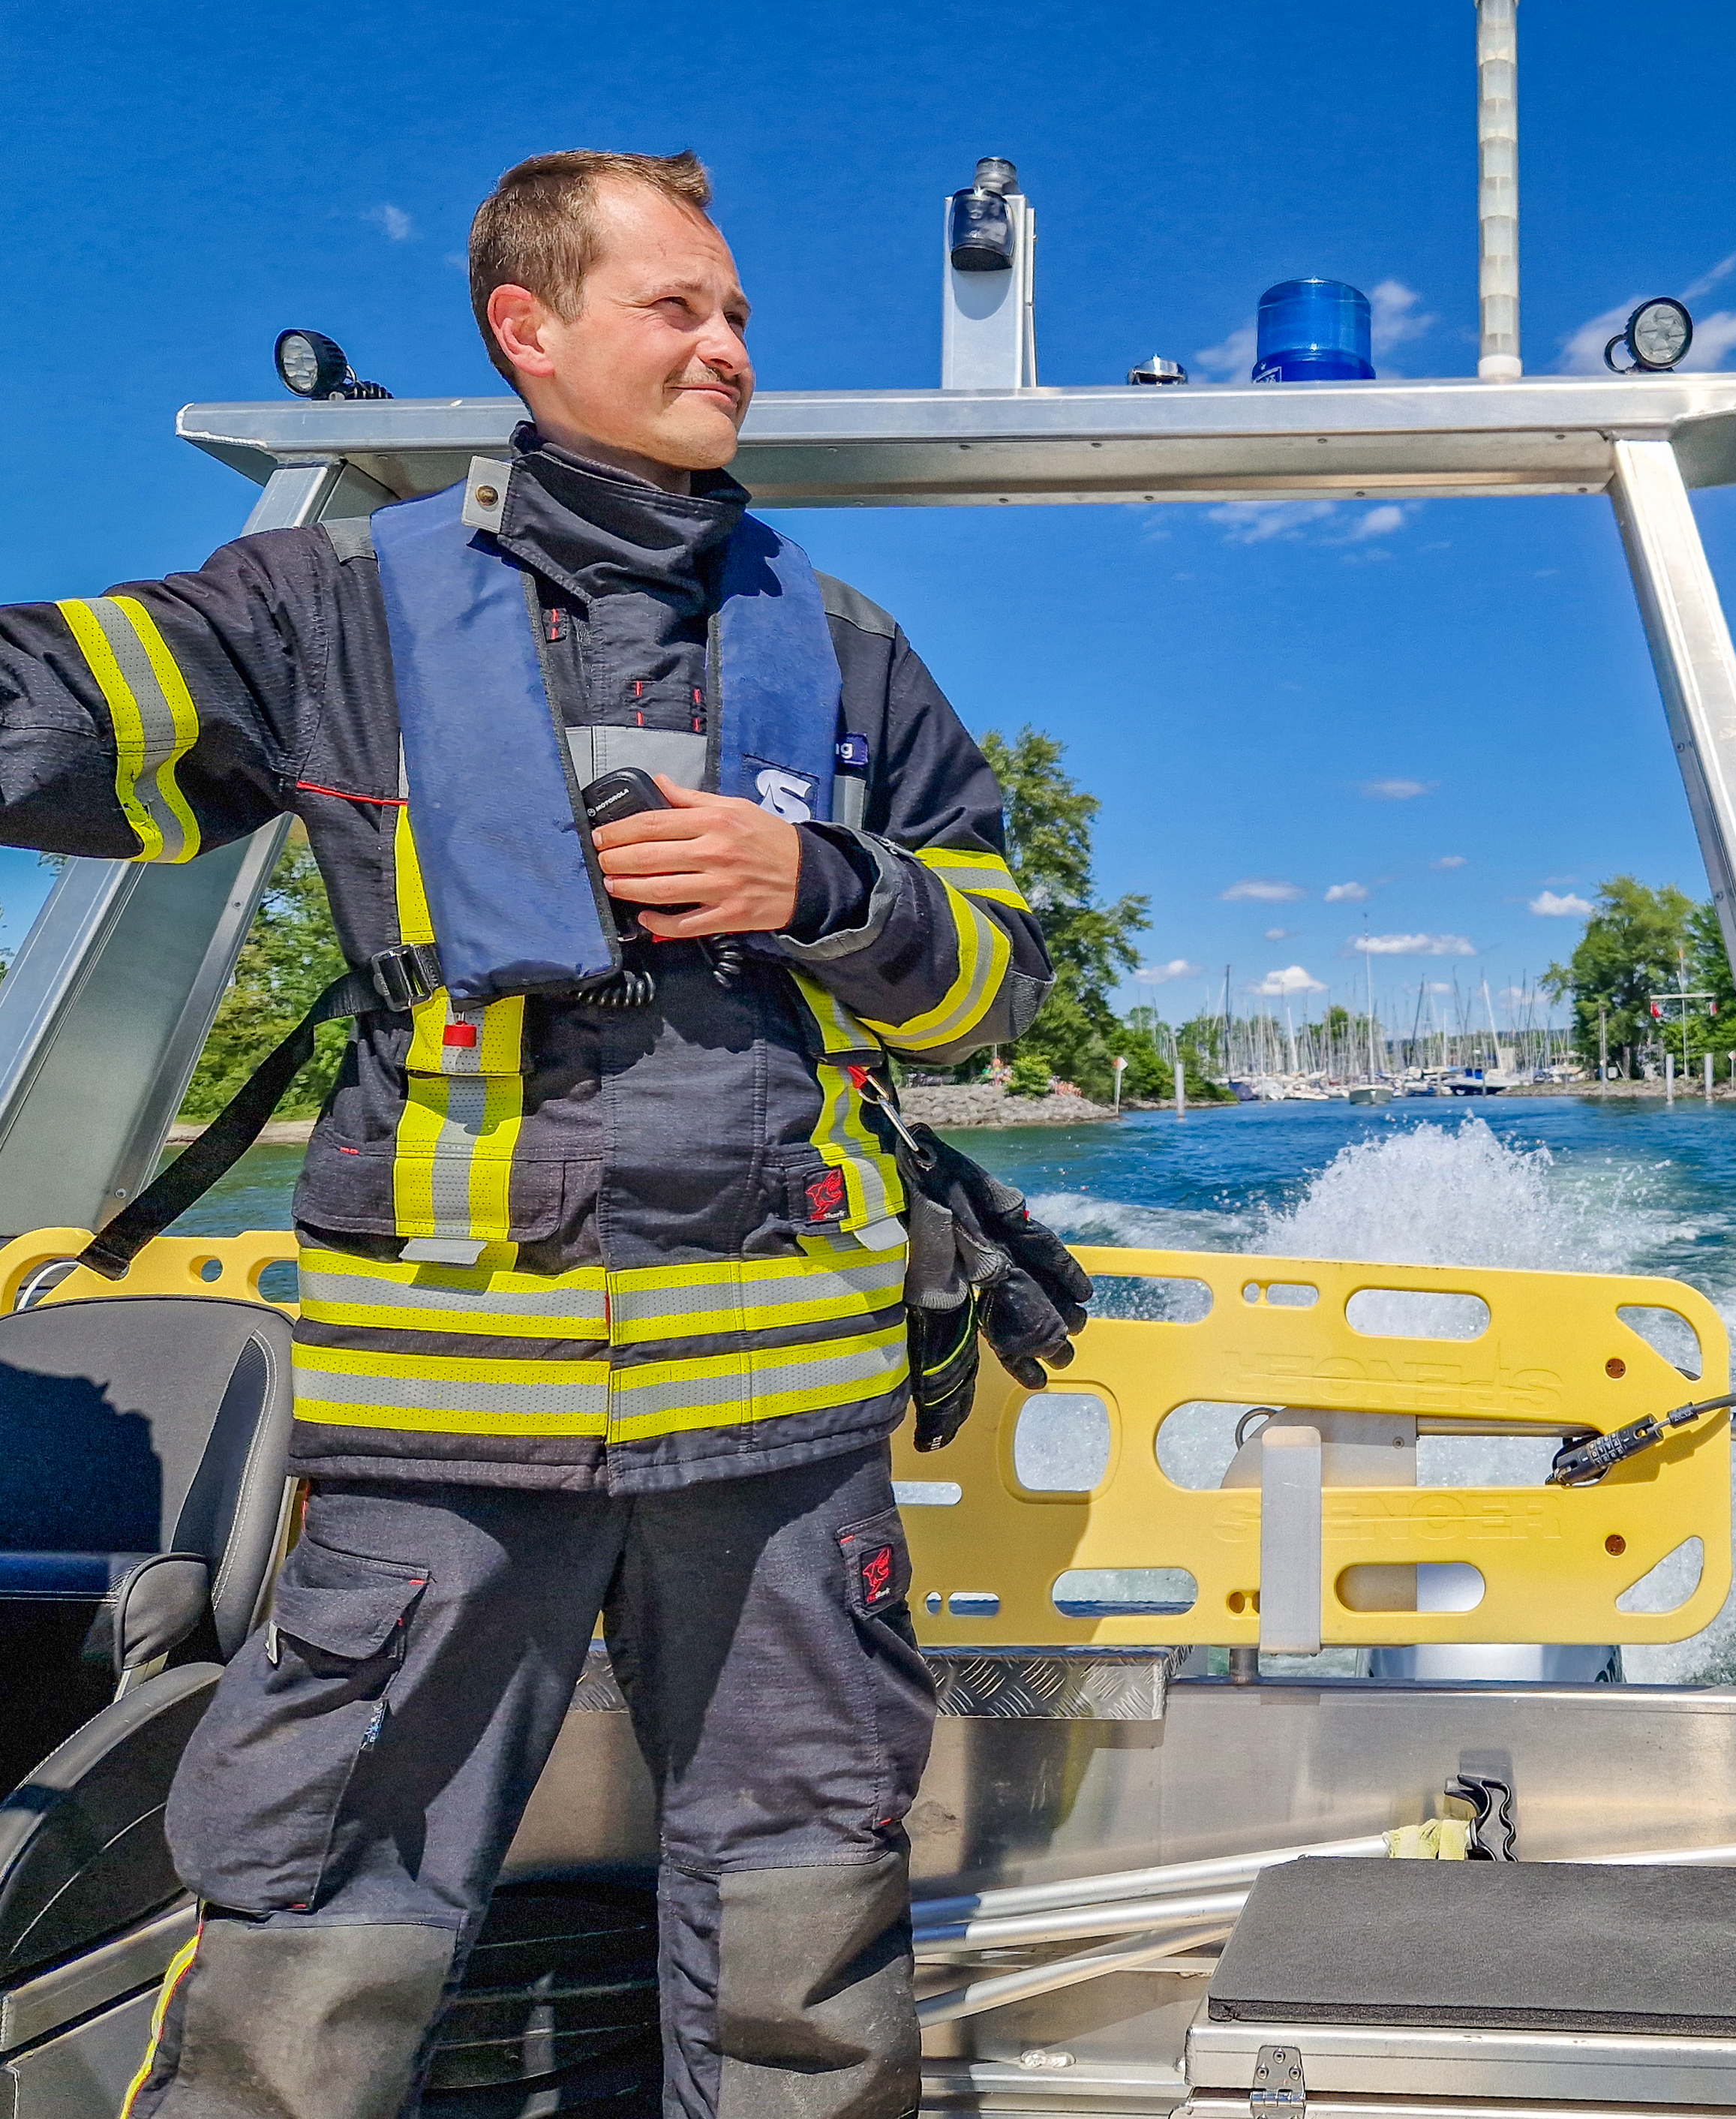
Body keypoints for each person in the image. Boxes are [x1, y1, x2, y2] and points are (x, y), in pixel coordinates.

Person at [0, 150, 1083, 2119]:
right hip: (443, 1452)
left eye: (739, 312)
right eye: (681, 307)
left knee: (807, 1926)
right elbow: (52, 711)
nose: (730, 345)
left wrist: (820, 882)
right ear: (531, 330)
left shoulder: (844, 652)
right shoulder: (326, 617)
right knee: (314, 1919)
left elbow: (1002, 971)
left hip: (780, 1454)